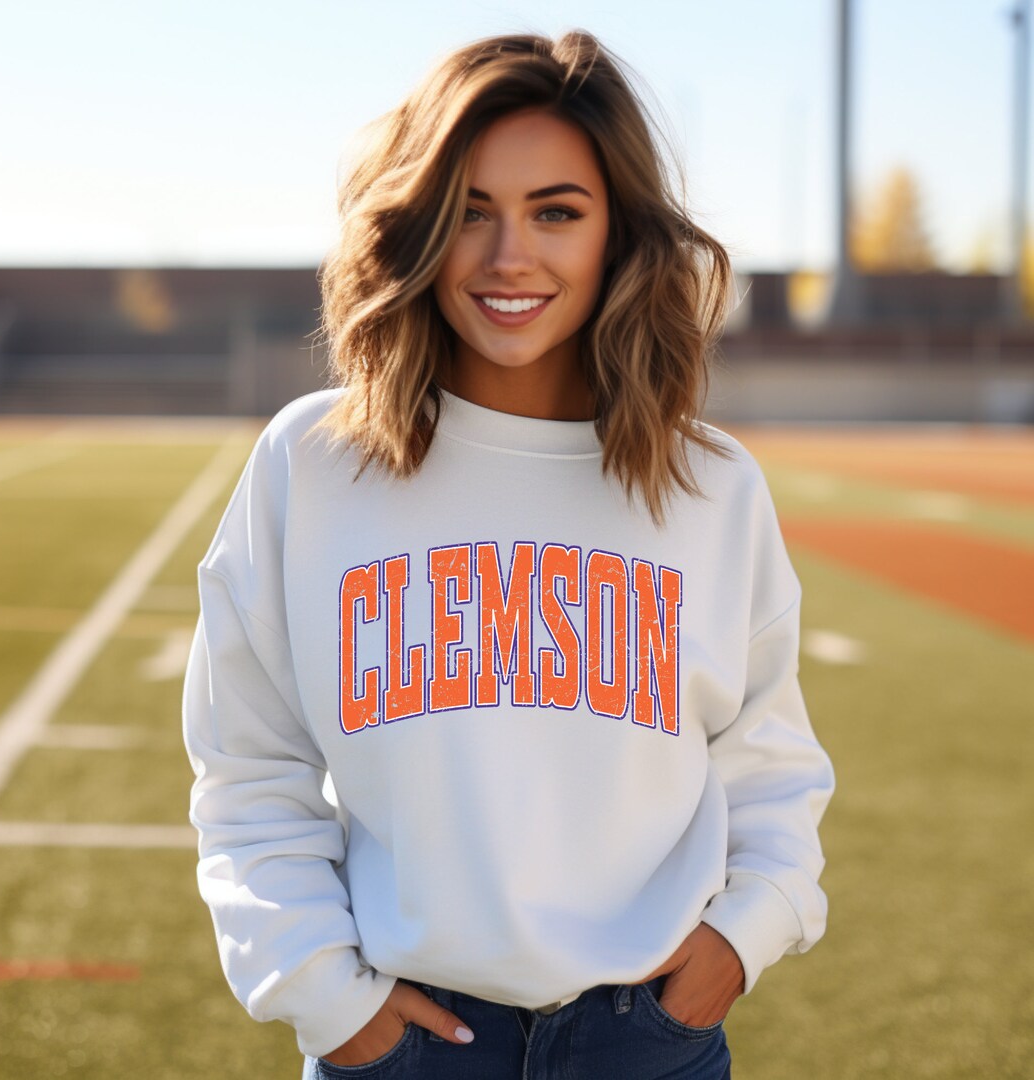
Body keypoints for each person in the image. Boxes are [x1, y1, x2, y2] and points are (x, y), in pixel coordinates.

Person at [182, 29, 834, 1080]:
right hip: (402, 1047)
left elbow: (770, 761)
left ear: (619, 233)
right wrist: (324, 997)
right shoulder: (313, 463)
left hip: (647, 1041)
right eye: (470, 211)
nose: (508, 258)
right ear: (420, 226)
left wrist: (740, 938)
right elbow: (249, 762)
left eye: (556, 212)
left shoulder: (709, 486)